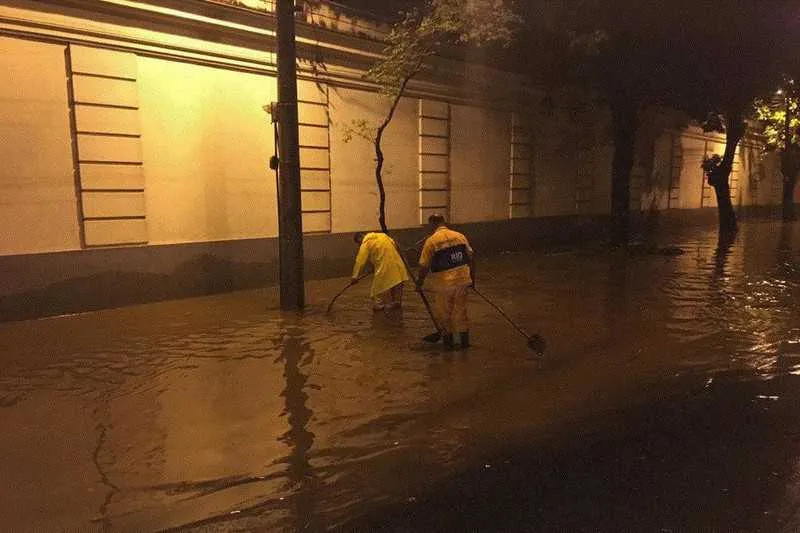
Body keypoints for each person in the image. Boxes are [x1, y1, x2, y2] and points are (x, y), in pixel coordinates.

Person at [416, 214, 474, 349]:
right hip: (463, 280)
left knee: (444, 313)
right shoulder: (460, 236)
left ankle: (448, 344)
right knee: (461, 312)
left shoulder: (432, 241)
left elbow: (423, 265)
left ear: (432, 224)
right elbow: (471, 257)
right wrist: (472, 280)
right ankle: (464, 344)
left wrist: (420, 282)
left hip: (445, 282)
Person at [351, 231, 410, 311]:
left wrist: (355, 276)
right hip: (397, 262)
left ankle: (379, 305)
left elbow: (360, 261)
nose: (359, 245)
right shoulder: (383, 236)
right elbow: (394, 245)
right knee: (397, 283)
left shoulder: (366, 243)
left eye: (359, 243)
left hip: (385, 267)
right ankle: (396, 302)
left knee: (377, 290)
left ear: (360, 238)